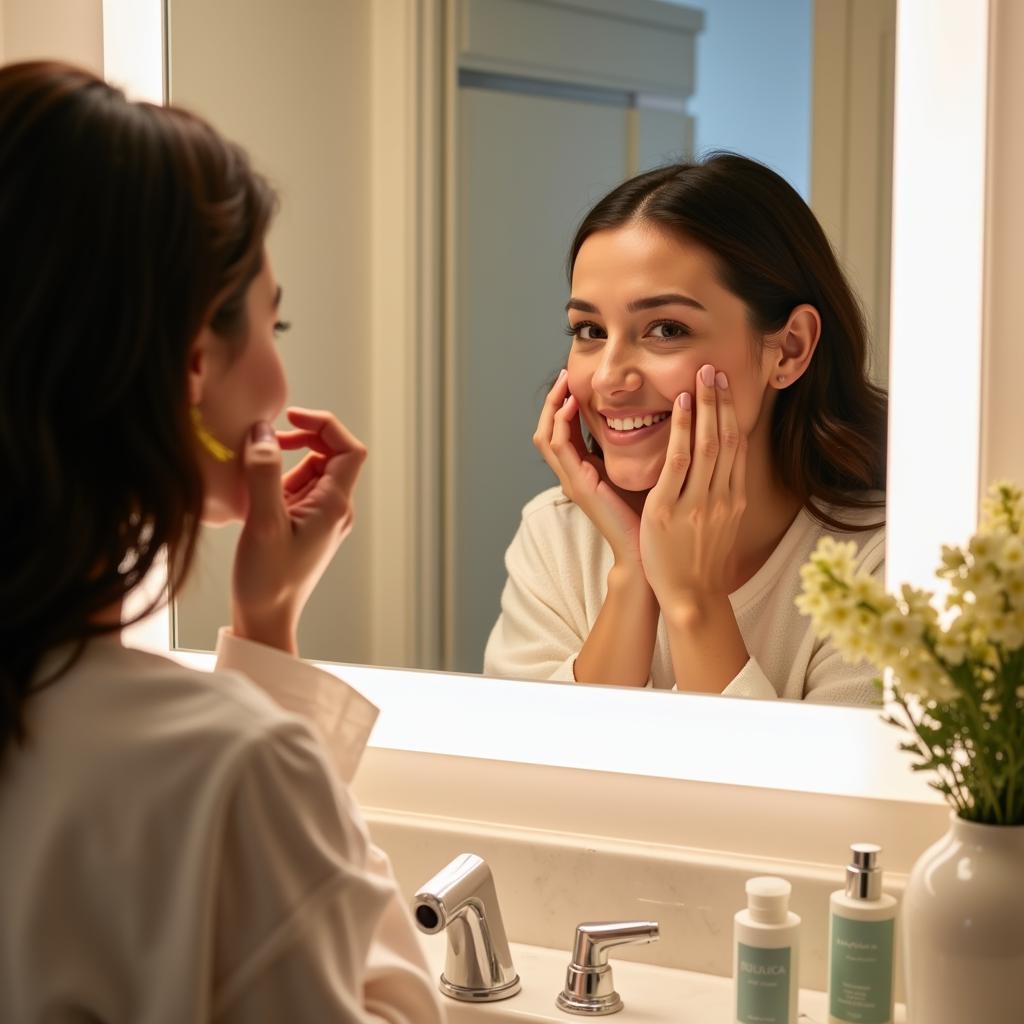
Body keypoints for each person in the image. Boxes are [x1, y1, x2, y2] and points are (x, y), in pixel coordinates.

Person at [0, 62, 444, 1022]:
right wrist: (270, 656)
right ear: (195, 359)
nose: (281, 375)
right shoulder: (231, 775)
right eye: (270, 319)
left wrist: (264, 626)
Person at [484, 154, 887, 704]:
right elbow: (526, 781)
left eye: (666, 329)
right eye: (590, 330)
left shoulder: (882, 565)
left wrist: (693, 600)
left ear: (789, 349)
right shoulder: (558, 538)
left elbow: (786, 794)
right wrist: (632, 575)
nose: (608, 378)